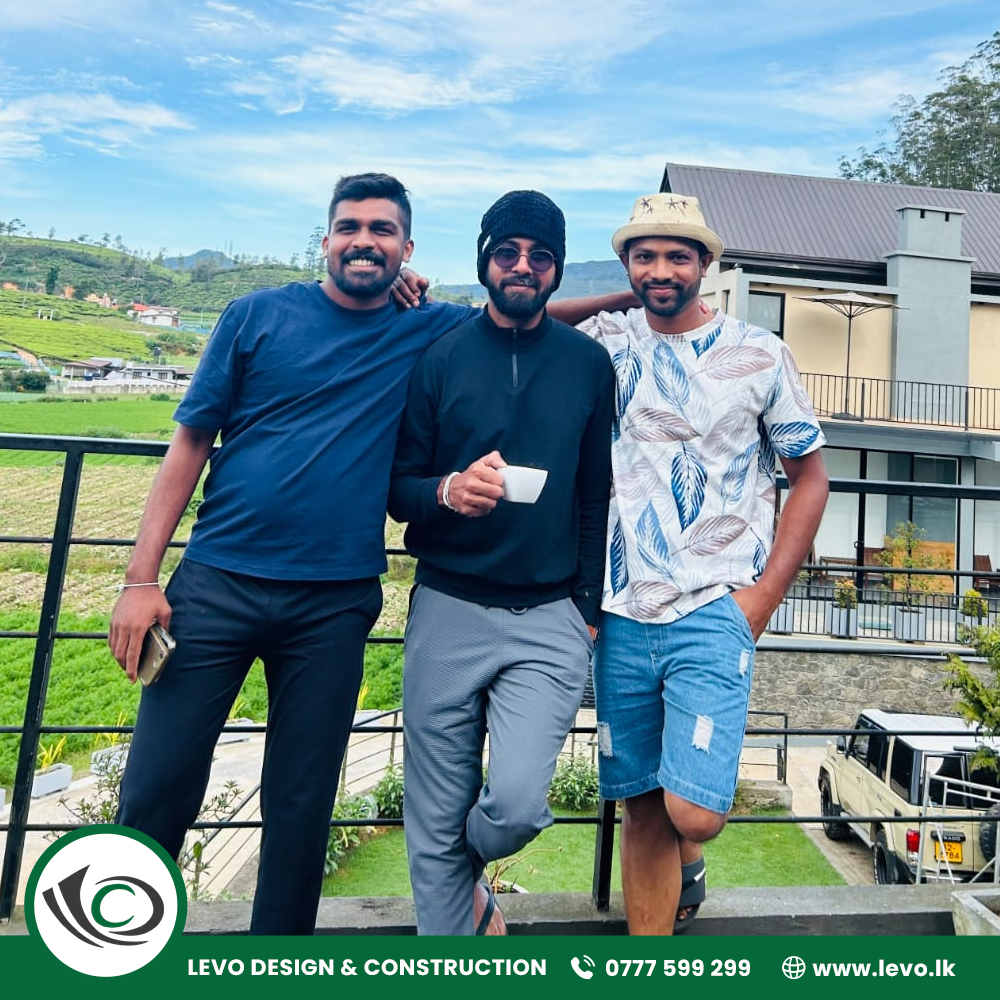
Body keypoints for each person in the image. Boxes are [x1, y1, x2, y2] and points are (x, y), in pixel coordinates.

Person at [107, 173, 630, 935]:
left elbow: (521, 311)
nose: (364, 241)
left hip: (334, 601)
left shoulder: (424, 328)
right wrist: (139, 579)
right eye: (350, 227)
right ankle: (116, 954)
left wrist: (628, 297)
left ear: (406, 249)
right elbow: (190, 440)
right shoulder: (256, 314)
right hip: (216, 581)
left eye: (382, 231)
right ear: (325, 239)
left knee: (302, 804)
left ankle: (279, 966)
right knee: (156, 788)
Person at [577, 192, 829, 935]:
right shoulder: (606, 340)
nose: (661, 270)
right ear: (626, 265)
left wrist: (764, 598)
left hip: (715, 606)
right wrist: (625, 298)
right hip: (620, 610)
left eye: (677, 257)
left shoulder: (759, 351)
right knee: (641, 806)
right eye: (644, 256)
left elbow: (810, 477)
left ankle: (692, 858)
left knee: (693, 812)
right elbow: (516, 319)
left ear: (706, 264)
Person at [387, 191, 617, 935]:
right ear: (484, 259)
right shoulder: (439, 355)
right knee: (432, 813)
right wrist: (448, 490)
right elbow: (399, 488)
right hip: (447, 608)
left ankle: (461, 866)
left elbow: (595, 495)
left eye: (540, 255)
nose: (523, 266)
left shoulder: (589, 364)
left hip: (550, 616)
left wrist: (585, 607)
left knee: (516, 805)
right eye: (508, 252)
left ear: (557, 269)